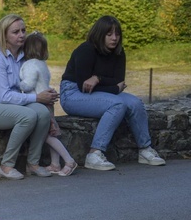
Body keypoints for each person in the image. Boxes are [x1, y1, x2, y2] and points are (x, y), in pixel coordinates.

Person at [60, 16, 165, 170]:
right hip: (73, 93)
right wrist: (114, 88)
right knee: (117, 104)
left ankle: (145, 149)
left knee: (135, 103)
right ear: (99, 34)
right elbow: (86, 87)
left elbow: (118, 79)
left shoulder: (119, 53)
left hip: (101, 91)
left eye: (117, 34)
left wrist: (98, 78)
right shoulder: (86, 50)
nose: (114, 38)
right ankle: (94, 153)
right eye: (109, 34)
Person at [0, 14, 57, 180]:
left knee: (42, 113)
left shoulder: (24, 56)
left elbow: (29, 85)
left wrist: (47, 94)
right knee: (28, 116)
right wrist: (38, 98)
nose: (22, 35)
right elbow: (4, 96)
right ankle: (6, 166)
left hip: (9, 105)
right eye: (16, 32)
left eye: (23, 30)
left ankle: (33, 163)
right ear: (4, 35)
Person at [19, 32, 77, 176]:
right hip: (47, 103)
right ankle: (55, 164)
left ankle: (69, 161)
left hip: (40, 104)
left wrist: (16, 83)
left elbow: (28, 85)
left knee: (46, 136)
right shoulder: (42, 64)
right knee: (52, 133)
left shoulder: (30, 64)